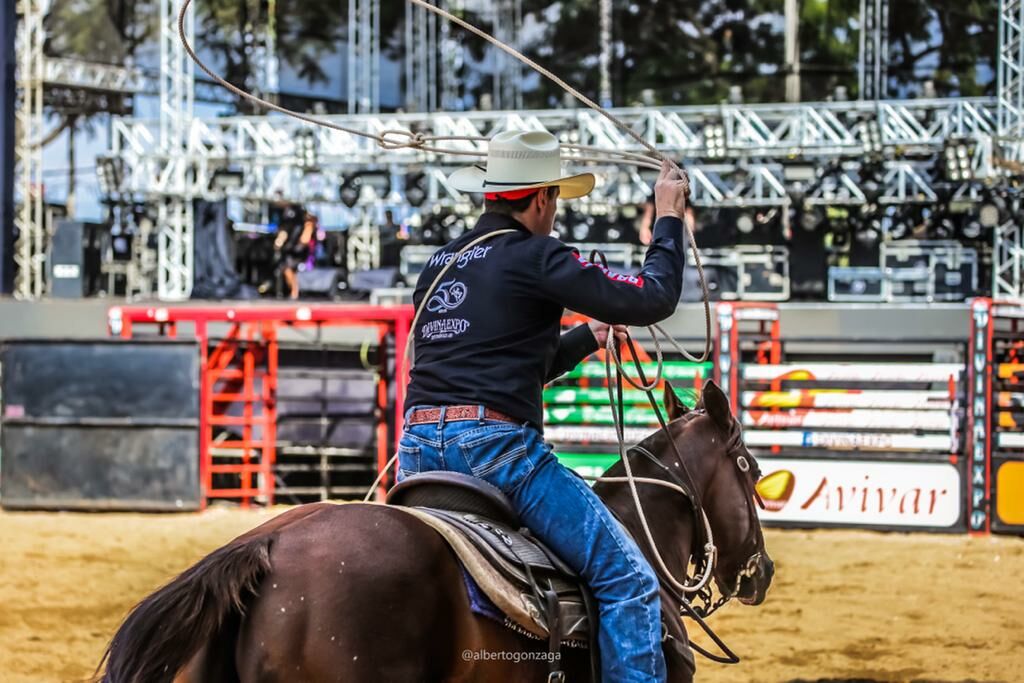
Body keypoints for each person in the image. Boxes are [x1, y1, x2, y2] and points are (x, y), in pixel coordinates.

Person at [397, 129, 689, 682]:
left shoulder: (439, 263)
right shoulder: (537, 256)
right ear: (540, 198)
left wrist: (587, 336)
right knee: (628, 579)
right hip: (496, 453)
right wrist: (668, 215)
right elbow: (655, 297)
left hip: (416, 452)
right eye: (554, 198)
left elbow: (505, 365)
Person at [274, 211, 316, 299]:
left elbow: (305, 240)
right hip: (292, 251)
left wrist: (300, 246)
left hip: (301, 252)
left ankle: (295, 291)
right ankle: (294, 291)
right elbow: (283, 235)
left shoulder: (308, 224)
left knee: (289, 269)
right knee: (286, 269)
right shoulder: (291, 225)